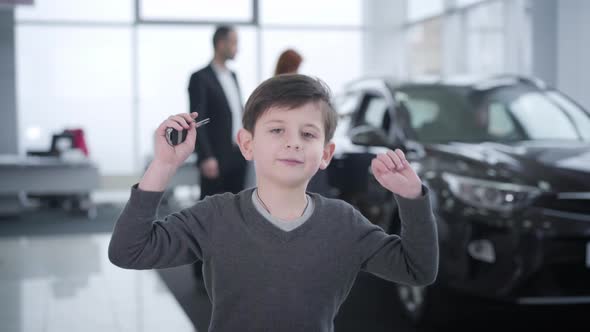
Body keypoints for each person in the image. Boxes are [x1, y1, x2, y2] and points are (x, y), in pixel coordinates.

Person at [109, 74, 439, 332]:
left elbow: (417, 269)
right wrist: (163, 165)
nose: (293, 143)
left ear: (325, 154)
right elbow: (128, 250)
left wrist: (411, 199)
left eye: (308, 134)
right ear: (247, 144)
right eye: (277, 130)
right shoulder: (216, 215)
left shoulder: (343, 223)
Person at [188, 25, 246, 199]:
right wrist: (206, 156)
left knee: (238, 208)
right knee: (211, 212)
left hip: (238, 154)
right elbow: (198, 119)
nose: (238, 48)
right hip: (216, 158)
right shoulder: (200, 77)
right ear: (221, 44)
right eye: (234, 42)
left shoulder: (233, 75)